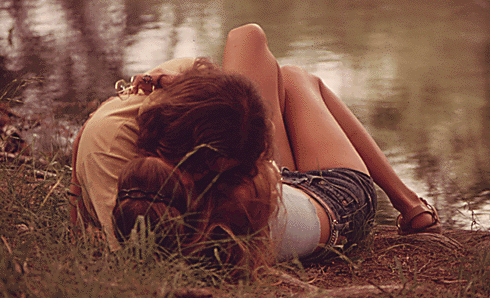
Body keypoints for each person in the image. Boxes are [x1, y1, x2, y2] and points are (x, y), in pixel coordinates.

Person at [107, 24, 441, 272]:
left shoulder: (176, 192)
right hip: (340, 204)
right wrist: (188, 86)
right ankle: (411, 205)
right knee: (294, 76)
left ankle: (414, 209)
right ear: (221, 162)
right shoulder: (241, 196)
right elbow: (252, 103)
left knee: (282, 74)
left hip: (285, 191)